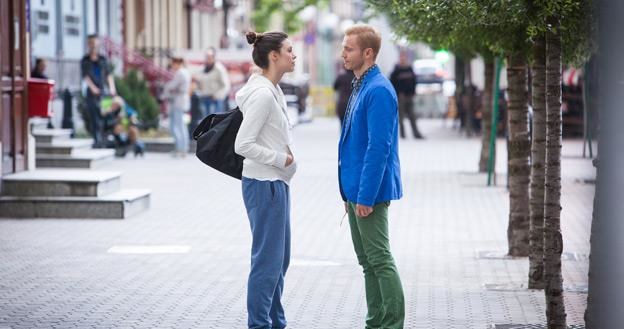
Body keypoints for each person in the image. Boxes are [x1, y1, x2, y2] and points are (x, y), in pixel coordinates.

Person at [338, 24, 405, 329]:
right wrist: (349, 192)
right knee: (367, 263)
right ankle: (375, 322)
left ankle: (391, 324)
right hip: (355, 190)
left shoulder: (378, 90)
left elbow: (379, 148)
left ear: (367, 53)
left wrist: (364, 196)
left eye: (348, 49)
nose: (343, 54)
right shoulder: (360, 85)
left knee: (380, 260)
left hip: (370, 193)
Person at [234, 31, 297, 329]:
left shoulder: (271, 89)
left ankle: (275, 321)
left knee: (279, 260)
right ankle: (260, 324)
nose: (293, 55)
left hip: (275, 184)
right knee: (267, 263)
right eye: (289, 50)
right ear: (273, 56)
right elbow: (242, 144)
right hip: (264, 184)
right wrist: (279, 158)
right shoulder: (261, 94)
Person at [81, 34, 116, 148]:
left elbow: (108, 74)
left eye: (95, 43)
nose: (93, 46)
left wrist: (112, 88)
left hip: (104, 93)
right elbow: (86, 77)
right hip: (92, 94)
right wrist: (93, 88)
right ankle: (97, 139)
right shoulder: (85, 60)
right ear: (88, 45)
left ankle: (104, 138)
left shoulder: (103, 60)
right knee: (94, 117)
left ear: (98, 44)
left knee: (105, 116)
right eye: (91, 43)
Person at [162, 55, 191, 158]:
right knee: (179, 125)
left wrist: (167, 88)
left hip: (178, 101)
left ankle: (181, 148)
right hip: (179, 101)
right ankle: (182, 148)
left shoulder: (181, 73)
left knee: (177, 125)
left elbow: (172, 86)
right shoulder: (184, 72)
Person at [390, 52, 423, 139]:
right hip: (400, 97)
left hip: (409, 96)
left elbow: (414, 82)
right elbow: (392, 83)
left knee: (412, 115)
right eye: (401, 57)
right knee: (400, 117)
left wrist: (413, 92)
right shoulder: (396, 70)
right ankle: (402, 134)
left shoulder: (409, 69)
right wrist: (397, 93)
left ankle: (416, 133)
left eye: (404, 57)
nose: (403, 59)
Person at [195, 47, 231, 116]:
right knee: (205, 121)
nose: (208, 59)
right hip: (204, 98)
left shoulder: (219, 69)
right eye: (207, 57)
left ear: (214, 57)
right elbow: (198, 84)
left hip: (215, 100)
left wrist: (217, 96)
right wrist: (199, 92)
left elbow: (226, 85)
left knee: (215, 121)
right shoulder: (201, 69)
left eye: (210, 57)